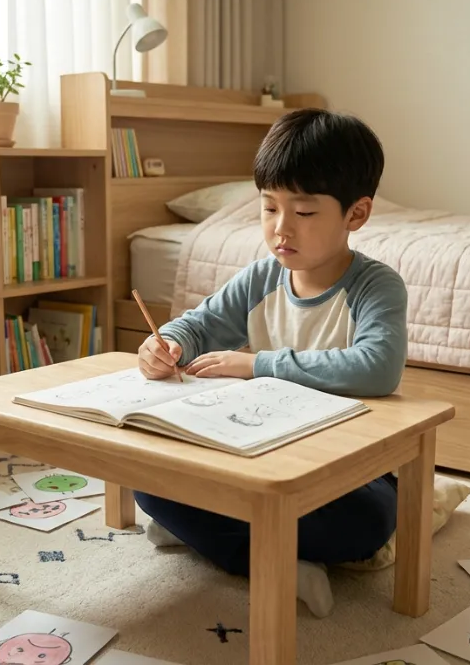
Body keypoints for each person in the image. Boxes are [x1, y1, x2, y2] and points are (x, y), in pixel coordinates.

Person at [135, 108, 408, 618]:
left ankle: (211, 538)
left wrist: (257, 364)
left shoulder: (376, 286)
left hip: (347, 469)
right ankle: (273, 558)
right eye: (268, 208)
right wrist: (165, 343)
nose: (282, 228)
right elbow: (196, 326)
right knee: (149, 482)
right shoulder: (261, 278)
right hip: (261, 456)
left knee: (371, 522)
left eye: (304, 213)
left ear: (356, 214)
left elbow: (378, 368)